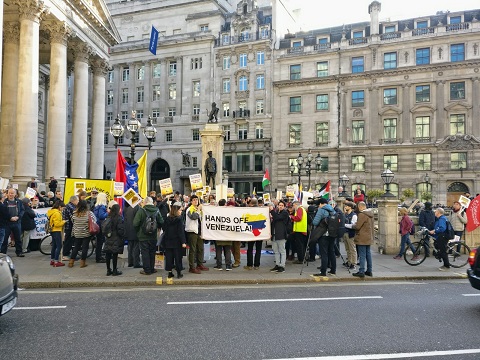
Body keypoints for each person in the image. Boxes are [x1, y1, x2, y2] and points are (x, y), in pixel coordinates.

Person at [133, 196, 164, 275]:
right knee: (152, 252)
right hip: (153, 235)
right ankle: (152, 268)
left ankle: (147, 269)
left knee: (145, 252)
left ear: (145, 202)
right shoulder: (157, 210)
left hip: (143, 236)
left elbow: (135, 223)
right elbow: (161, 221)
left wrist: (138, 231)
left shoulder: (141, 210)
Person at [312, 198, 336, 277]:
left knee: (324, 253)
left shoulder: (321, 210)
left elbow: (315, 222)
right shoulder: (332, 210)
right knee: (331, 252)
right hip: (332, 234)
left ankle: (323, 271)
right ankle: (333, 270)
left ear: (321, 204)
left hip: (323, 234)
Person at [185, 195, 209, 274]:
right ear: (191, 201)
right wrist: (198, 210)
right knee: (193, 250)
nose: (196, 201)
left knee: (200, 249)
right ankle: (192, 267)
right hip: (192, 231)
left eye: (197, 200)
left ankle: (199, 264)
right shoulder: (190, 209)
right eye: (194, 200)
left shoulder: (197, 209)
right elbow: (193, 217)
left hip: (199, 232)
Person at [163, 202, 187, 279]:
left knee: (169, 258)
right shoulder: (179, 220)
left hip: (168, 241)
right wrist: (183, 242)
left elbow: (164, 229)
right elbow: (181, 232)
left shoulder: (167, 219)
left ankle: (170, 273)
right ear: (176, 211)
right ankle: (179, 273)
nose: (181, 212)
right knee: (178, 258)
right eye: (180, 210)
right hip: (177, 242)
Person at [69, 200, 95, 268]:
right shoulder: (89, 213)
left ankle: (71, 262)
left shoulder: (74, 213)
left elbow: (73, 221)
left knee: (76, 247)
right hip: (86, 233)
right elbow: (94, 221)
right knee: (85, 248)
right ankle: (82, 262)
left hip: (77, 233)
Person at [352, 201, 374, 278]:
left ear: (360, 207)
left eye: (358, 206)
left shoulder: (362, 215)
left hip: (362, 237)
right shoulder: (370, 214)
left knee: (362, 255)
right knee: (368, 254)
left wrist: (353, 225)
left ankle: (361, 271)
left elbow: (358, 226)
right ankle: (369, 270)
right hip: (368, 237)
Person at [1, 188, 25, 257]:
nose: (11, 194)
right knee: (5, 239)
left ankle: (19, 252)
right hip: (7, 223)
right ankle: (3, 253)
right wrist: (10, 218)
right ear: (7, 193)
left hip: (17, 222)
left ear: (15, 194)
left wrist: (18, 217)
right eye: (9, 193)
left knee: (18, 238)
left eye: (12, 193)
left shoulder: (19, 202)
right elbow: (3, 212)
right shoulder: (4, 202)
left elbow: (22, 210)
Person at [103, 203, 125, 276]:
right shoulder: (119, 218)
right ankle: (115, 270)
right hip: (116, 238)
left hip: (108, 237)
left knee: (108, 254)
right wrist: (122, 235)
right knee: (115, 255)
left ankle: (108, 270)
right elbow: (120, 229)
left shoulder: (108, 216)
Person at [269, 200, 289, 273]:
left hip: (281, 235)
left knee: (282, 251)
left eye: (282, 205)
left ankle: (282, 266)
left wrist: (272, 211)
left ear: (284, 206)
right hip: (274, 235)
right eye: (279, 205)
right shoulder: (276, 213)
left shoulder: (285, 213)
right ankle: (277, 264)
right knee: (276, 251)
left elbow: (278, 218)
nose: (280, 206)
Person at [213, 199, 233, 271]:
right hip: (227, 234)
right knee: (227, 250)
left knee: (218, 250)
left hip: (218, 234)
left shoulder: (216, 212)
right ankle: (228, 265)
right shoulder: (229, 212)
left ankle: (219, 265)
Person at [244, 198, 263, 270]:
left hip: (251, 232)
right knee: (258, 249)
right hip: (259, 232)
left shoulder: (249, 210)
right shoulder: (261, 210)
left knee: (250, 249)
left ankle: (249, 265)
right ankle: (257, 265)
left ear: (251, 203)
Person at [47, 201, 66, 267]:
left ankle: (52, 260)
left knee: (54, 246)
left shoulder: (52, 212)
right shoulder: (57, 213)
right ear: (60, 207)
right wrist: (63, 222)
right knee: (59, 245)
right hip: (56, 230)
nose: (63, 210)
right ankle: (56, 261)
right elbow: (57, 224)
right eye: (63, 208)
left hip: (52, 230)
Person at [123, 202, 141, 268]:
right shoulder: (137, 208)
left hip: (128, 230)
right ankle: (136, 263)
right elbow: (138, 221)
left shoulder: (128, 208)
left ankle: (130, 262)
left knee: (130, 247)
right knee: (136, 248)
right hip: (135, 231)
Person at [92, 192, 108, 263]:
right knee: (100, 242)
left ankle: (98, 256)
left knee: (98, 241)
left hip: (97, 225)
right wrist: (108, 212)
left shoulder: (96, 206)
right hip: (101, 225)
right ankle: (98, 257)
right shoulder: (102, 206)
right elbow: (102, 216)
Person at [62, 195, 79, 260]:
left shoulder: (70, 206)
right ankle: (65, 254)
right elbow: (73, 216)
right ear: (74, 200)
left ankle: (68, 253)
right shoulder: (70, 207)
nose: (78, 202)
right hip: (69, 226)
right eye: (77, 200)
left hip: (69, 225)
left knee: (70, 240)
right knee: (68, 240)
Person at [343, 201, 357, 270]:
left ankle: (353, 263)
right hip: (345, 233)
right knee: (347, 249)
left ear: (350, 207)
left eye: (347, 206)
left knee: (352, 249)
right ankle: (349, 261)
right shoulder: (345, 214)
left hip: (350, 233)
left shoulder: (353, 215)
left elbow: (353, 225)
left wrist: (345, 225)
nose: (345, 207)